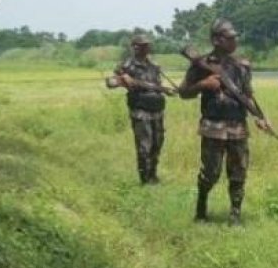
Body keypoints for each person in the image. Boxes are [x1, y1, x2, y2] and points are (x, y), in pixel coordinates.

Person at [178, 18, 269, 226]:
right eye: (230, 38)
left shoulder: (242, 65)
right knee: (210, 173)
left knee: (238, 173)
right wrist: (203, 84)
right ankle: (201, 206)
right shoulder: (201, 64)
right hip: (213, 127)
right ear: (217, 40)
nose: (234, 41)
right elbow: (183, 93)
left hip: (238, 126)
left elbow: (247, 94)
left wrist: (259, 116)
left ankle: (235, 214)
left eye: (235, 38)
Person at [113, 33, 173, 184]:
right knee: (144, 146)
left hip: (157, 109)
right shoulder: (127, 65)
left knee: (157, 143)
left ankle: (153, 174)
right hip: (140, 110)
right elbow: (113, 81)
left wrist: (166, 91)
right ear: (135, 47)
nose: (147, 47)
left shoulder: (154, 65)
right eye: (143, 45)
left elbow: (157, 85)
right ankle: (145, 179)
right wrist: (125, 78)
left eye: (148, 45)